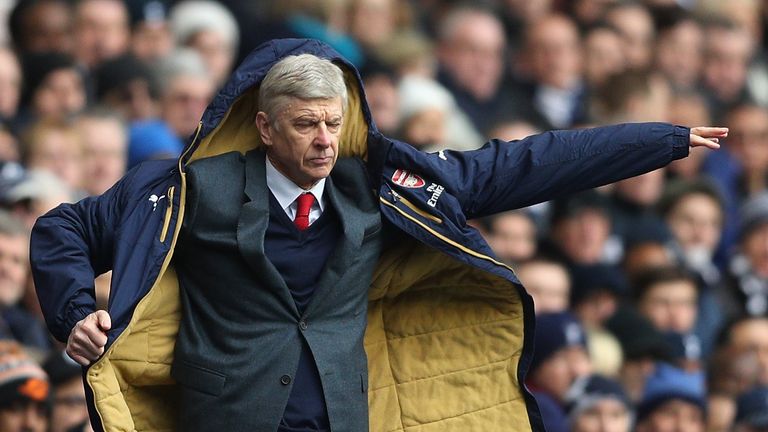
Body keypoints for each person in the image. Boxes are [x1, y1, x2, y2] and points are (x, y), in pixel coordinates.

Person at [30, 39, 724, 431]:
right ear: (265, 127)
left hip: (344, 418)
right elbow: (62, 227)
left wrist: (659, 141)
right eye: (305, 124)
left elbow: (523, 164)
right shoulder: (188, 188)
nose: (325, 140)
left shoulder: (382, 185)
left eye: (334, 122)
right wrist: (70, 313)